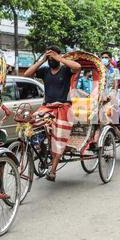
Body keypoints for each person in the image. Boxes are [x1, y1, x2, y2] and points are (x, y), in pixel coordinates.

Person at [24, 45, 81, 182]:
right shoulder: (44, 71)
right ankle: (43, 149)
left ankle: (53, 171)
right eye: (49, 57)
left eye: (53, 57)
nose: (51, 59)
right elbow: (27, 74)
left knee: (59, 139)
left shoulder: (66, 70)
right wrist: (42, 59)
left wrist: (59, 57)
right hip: (47, 107)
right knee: (32, 125)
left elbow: (77, 66)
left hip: (64, 108)